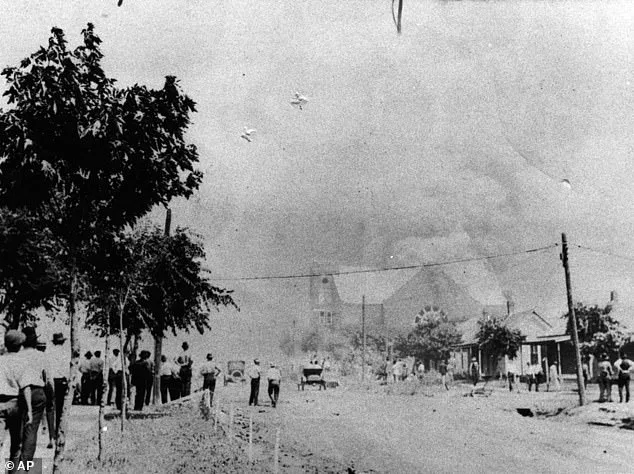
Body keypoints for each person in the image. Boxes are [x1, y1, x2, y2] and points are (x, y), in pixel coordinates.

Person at [0, 330, 32, 470]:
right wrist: (30, 410)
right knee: (16, 444)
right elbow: (26, 387)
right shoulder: (22, 362)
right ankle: (11, 471)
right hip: (15, 404)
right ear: (20, 346)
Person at [48, 332, 69, 439]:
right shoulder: (64, 353)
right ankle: (58, 431)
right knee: (60, 408)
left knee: (50, 408)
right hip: (60, 381)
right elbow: (66, 369)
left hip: (50, 381)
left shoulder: (49, 352)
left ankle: (51, 434)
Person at [35, 338, 55, 449]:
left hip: (33, 388)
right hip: (44, 387)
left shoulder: (31, 357)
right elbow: (48, 377)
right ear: (45, 348)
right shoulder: (45, 358)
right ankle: (51, 437)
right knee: (50, 411)